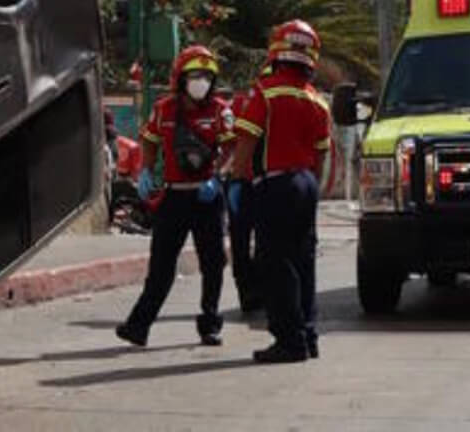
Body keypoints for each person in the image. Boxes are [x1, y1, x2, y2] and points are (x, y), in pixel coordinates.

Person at [115, 45, 234, 348]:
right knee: (161, 265)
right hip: (174, 197)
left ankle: (210, 324)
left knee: (212, 263)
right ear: (181, 78)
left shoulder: (221, 110)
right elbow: (150, 139)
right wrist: (145, 170)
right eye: (195, 75)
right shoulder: (164, 109)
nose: (201, 81)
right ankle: (138, 326)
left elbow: (232, 148)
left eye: (207, 76)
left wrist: (218, 175)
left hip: (207, 198)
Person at [229, 20, 333, 364]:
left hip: (275, 184)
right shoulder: (318, 101)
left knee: (275, 262)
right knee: (304, 260)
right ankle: (308, 334)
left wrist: (239, 182)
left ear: (276, 53)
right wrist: (313, 187)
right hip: (305, 183)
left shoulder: (267, 92)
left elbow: (245, 144)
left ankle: (290, 341)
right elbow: (321, 155)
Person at [223, 62, 274, 315]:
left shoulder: (285, 106)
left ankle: (261, 289)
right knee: (241, 244)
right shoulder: (243, 104)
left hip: (266, 183)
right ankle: (248, 293)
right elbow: (231, 143)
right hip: (244, 182)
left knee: (266, 243)